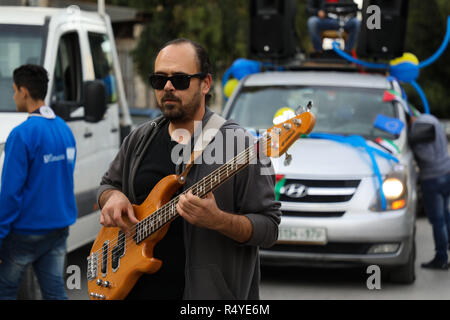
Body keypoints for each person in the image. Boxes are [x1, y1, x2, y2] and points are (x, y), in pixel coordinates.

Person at [97, 38, 281, 300]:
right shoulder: (140, 138)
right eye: (159, 80)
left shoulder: (241, 146)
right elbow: (107, 185)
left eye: (180, 79)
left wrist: (219, 220)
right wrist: (113, 197)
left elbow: (269, 228)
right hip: (130, 288)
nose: (168, 87)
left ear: (205, 83)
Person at [0, 65, 77, 299]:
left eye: (14, 91)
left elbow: (10, 193)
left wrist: (1, 234)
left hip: (26, 231)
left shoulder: (21, 134)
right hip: (58, 228)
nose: (14, 97)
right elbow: (65, 175)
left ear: (24, 91)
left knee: (5, 290)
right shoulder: (65, 129)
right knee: (54, 291)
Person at [409, 113, 450, 270]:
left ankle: (441, 258)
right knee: (445, 214)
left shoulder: (417, 129)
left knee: (437, 220)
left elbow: (428, 156)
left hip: (432, 178)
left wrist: (412, 146)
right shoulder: (431, 118)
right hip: (446, 172)